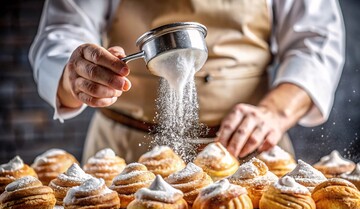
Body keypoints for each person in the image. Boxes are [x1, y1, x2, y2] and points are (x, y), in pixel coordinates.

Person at [29, 0, 345, 163]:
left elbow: (317, 42)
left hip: (252, 150)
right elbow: (61, 33)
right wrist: (76, 75)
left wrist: (275, 112)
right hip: (123, 153)